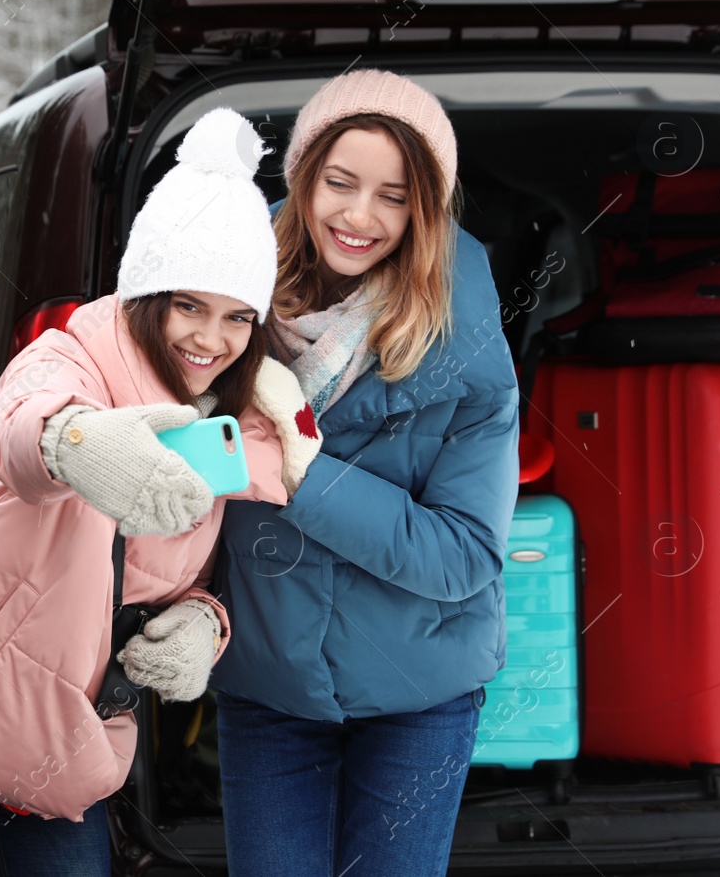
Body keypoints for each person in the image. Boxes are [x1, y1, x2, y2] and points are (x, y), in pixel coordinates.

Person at [0, 107, 322, 877]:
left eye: (238, 317)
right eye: (189, 304)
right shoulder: (71, 356)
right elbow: (21, 425)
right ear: (147, 293)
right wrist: (76, 442)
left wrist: (203, 625)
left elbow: (173, 576)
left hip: (57, 765)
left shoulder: (223, 429)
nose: (211, 337)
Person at [210, 70, 520, 876]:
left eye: (392, 195)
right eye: (340, 183)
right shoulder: (225, 308)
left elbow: (463, 554)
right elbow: (167, 481)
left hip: (420, 693)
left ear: (425, 208)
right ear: (304, 178)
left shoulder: (468, 346)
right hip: (268, 686)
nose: (359, 216)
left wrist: (302, 478)